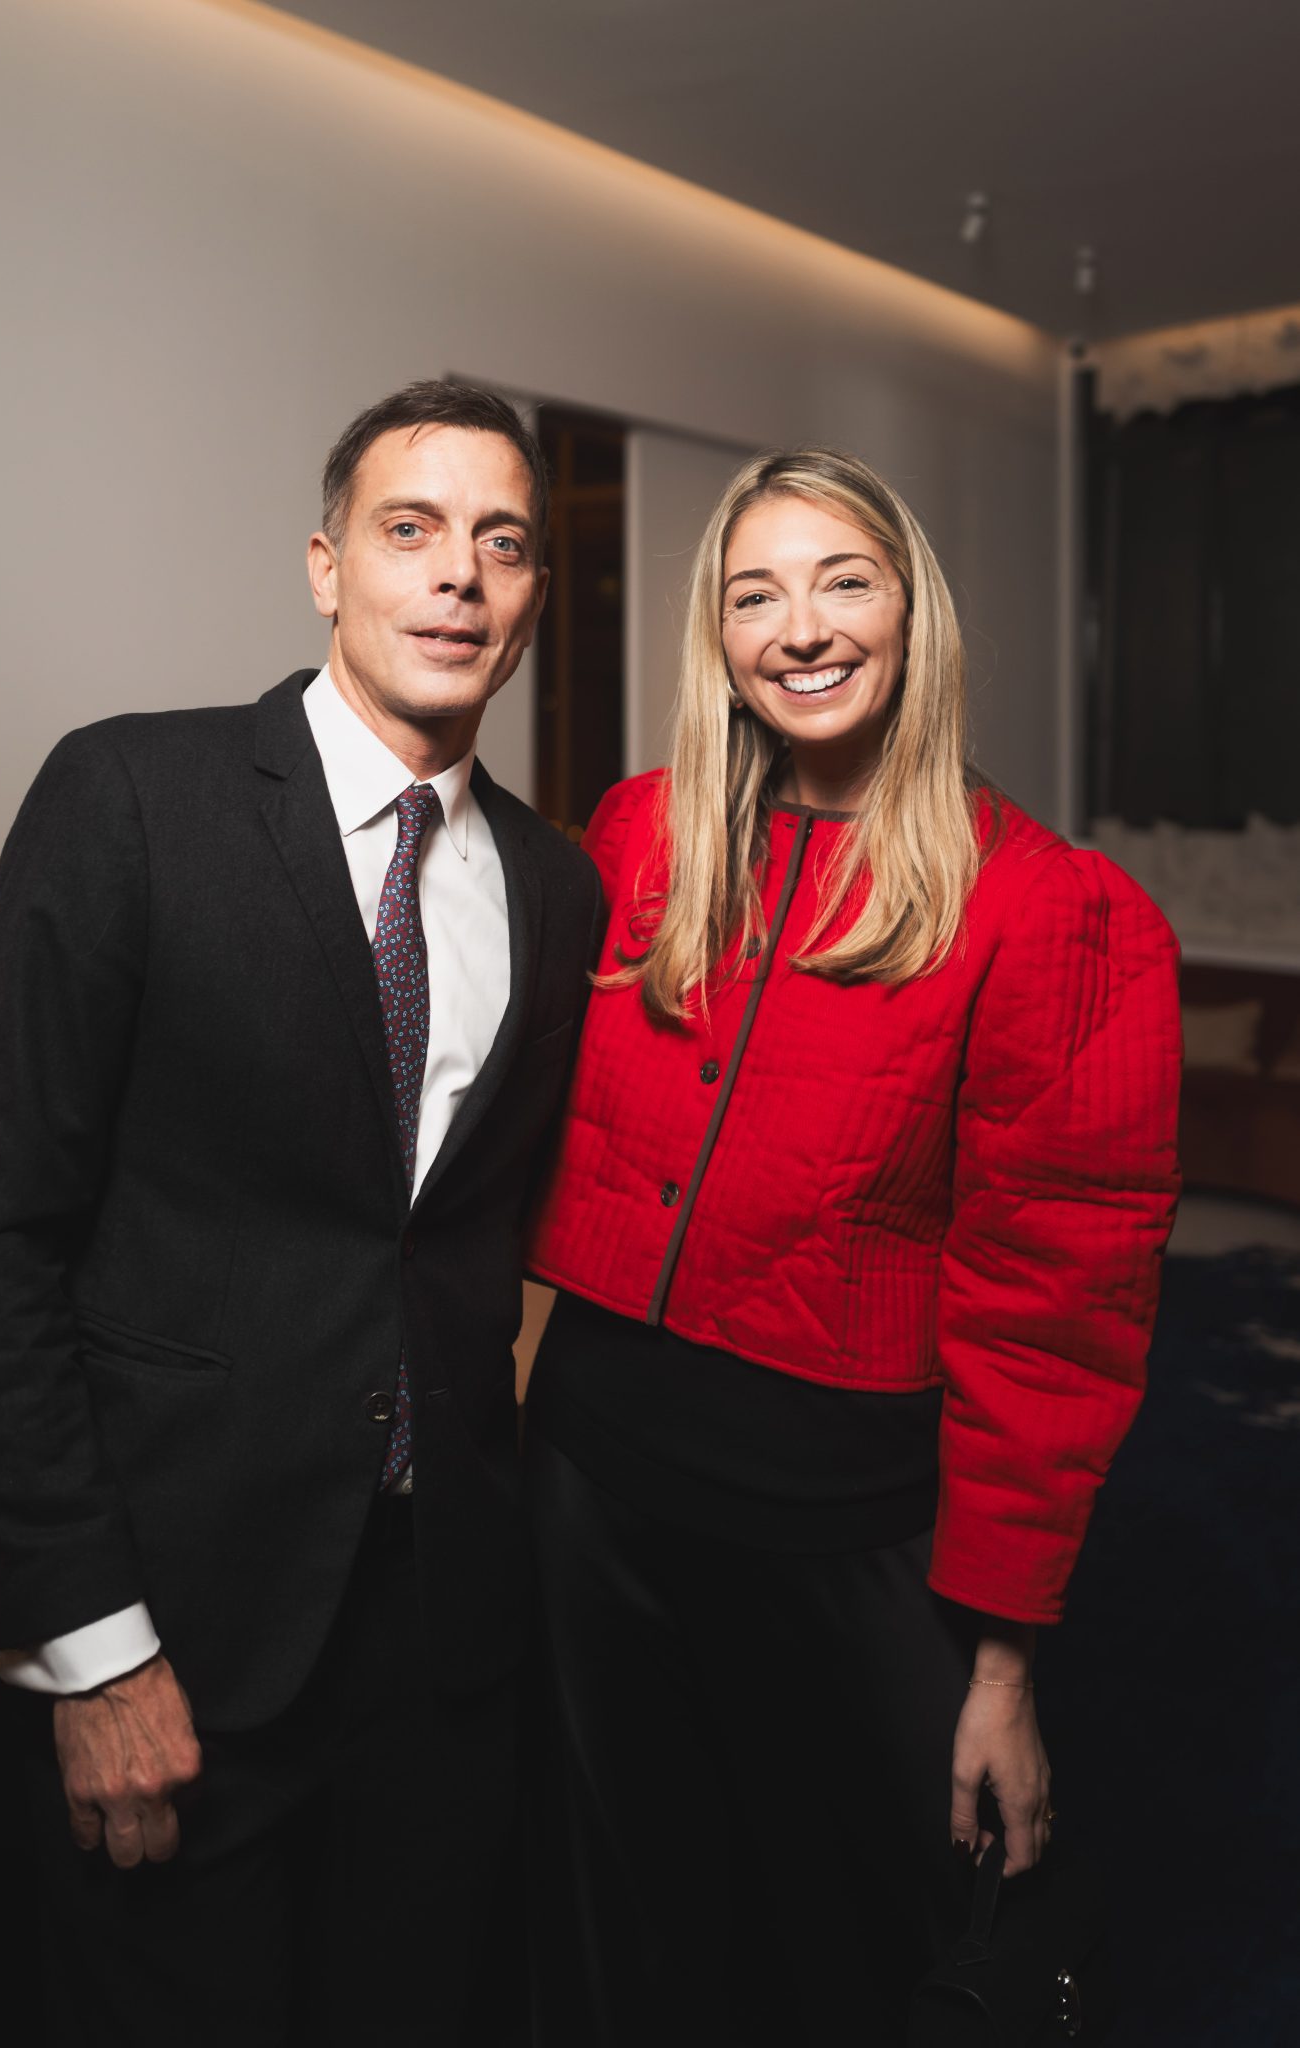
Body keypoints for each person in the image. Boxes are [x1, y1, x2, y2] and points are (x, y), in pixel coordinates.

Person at [0, 380, 601, 2046]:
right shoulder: (130, 799)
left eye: (503, 545)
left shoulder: (555, 884)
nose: (461, 575)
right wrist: (88, 1649)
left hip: (445, 1640)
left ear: (529, 601)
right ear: (325, 567)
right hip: (174, 1629)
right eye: (413, 529)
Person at [523, 447, 1181, 2045]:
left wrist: (1005, 1665)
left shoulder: (1053, 912)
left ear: (913, 616)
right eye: (755, 593)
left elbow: (1057, 1314)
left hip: (842, 1521)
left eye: (843, 582)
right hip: (590, 1490)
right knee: (618, 1920)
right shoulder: (639, 834)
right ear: (718, 639)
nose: (799, 627)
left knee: (861, 1943)